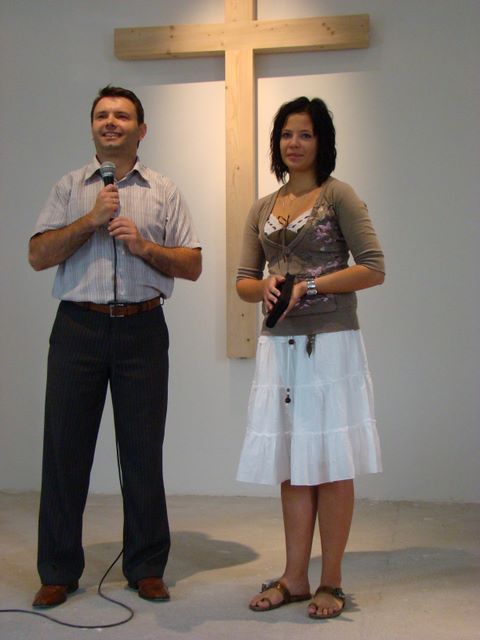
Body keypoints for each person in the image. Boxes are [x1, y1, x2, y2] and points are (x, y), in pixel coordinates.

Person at [28, 86, 202, 608]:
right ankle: (58, 571)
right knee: (64, 452)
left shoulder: (164, 190)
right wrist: (90, 220)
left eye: (122, 116)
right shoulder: (69, 187)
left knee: (143, 452)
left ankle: (146, 567)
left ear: (141, 130)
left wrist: (143, 246)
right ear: (92, 127)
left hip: (141, 330)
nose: (111, 122)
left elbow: (193, 264)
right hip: (77, 329)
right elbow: (38, 255)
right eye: (102, 115)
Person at [236, 97, 384, 619]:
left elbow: (373, 267)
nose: (293, 143)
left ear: (322, 141)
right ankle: (295, 577)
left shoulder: (339, 195)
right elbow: (243, 282)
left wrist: (311, 285)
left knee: (332, 462)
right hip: (280, 346)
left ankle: (332, 581)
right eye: (286, 134)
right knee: (293, 463)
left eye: (305, 134)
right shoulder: (262, 207)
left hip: (331, 344)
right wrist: (266, 287)